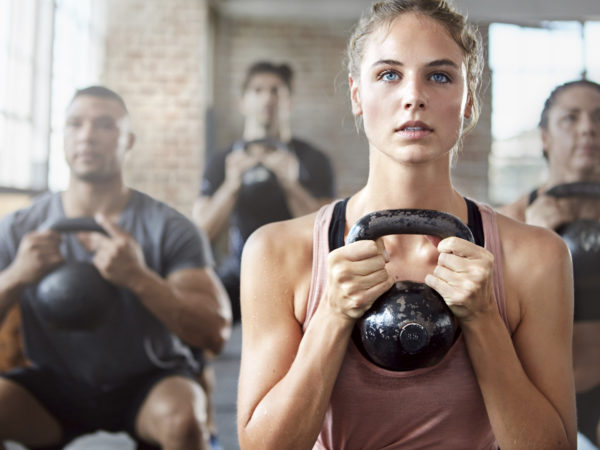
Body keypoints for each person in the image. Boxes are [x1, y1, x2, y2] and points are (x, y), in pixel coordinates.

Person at [236, 1, 577, 448]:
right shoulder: (276, 252)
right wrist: (332, 316)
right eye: (389, 75)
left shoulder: (536, 257)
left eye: (439, 76)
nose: (413, 96)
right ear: (358, 95)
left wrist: (483, 318)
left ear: (468, 98)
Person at [0, 86, 232, 450]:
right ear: (63, 136)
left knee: (183, 420)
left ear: (129, 140)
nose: (87, 135)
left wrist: (138, 278)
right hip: (54, 381)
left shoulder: (169, 227)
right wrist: (16, 277)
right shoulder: (17, 229)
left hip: (148, 378)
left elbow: (215, 333)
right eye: (75, 124)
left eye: (105, 125)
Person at [193, 61, 336, 323]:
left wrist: (290, 184)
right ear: (243, 102)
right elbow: (200, 231)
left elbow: (329, 232)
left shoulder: (314, 159)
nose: (267, 99)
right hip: (241, 270)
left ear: (289, 102)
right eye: (258, 90)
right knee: (194, 312)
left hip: (300, 272)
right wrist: (231, 185)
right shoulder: (222, 160)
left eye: (276, 91)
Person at [500, 79, 600, 447]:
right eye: (570, 119)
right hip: (536, 392)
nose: (588, 128)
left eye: (598, 118)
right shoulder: (512, 220)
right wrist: (534, 241)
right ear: (545, 138)